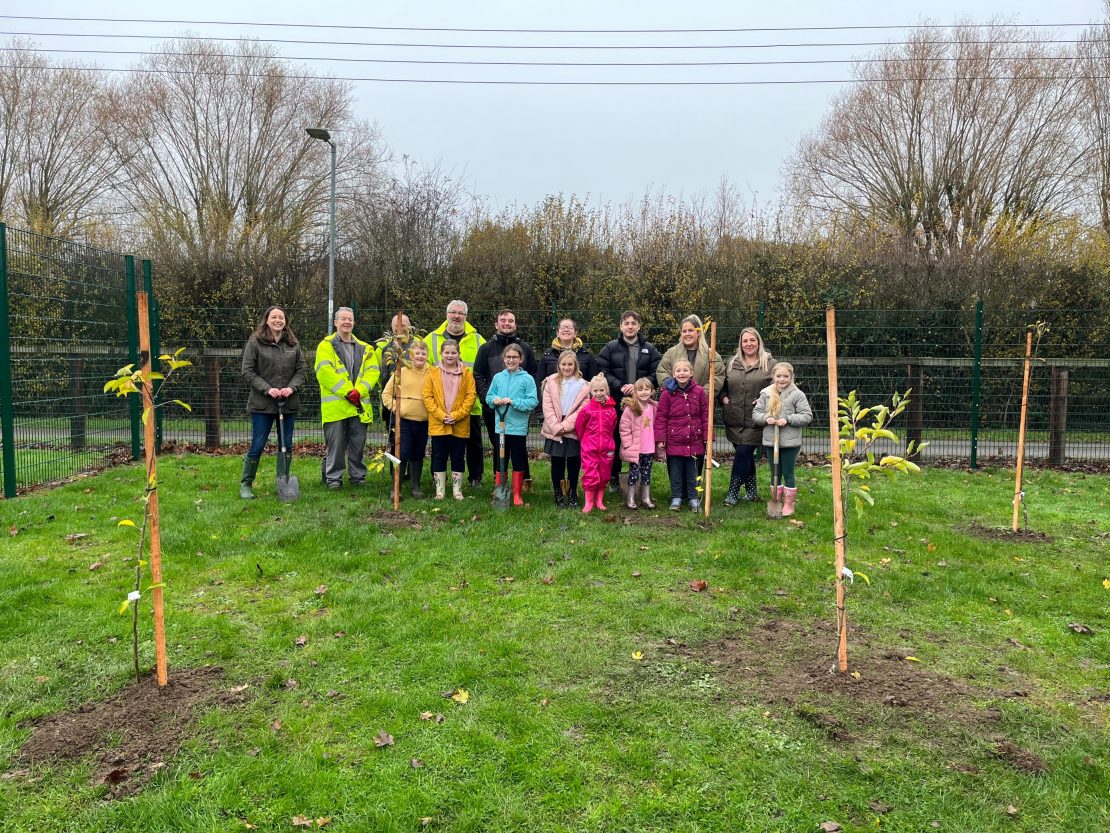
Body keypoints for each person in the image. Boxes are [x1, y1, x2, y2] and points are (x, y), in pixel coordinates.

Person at [238, 306, 306, 499]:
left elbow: (301, 372)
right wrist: (268, 389)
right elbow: (247, 371)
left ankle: (283, 483)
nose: (278, 320)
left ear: (285, 321)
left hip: (288, 403)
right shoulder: (256, 342)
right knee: (258, 444)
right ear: (266, 320)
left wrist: (291, 388)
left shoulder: (293, 344)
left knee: (286, 444)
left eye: (281, 317)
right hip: (262, 404)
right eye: (274, 317)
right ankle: (246, 484)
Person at [597, 310, 661, 493]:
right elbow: (603, 370)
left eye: (634, 323)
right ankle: (614, 477)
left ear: (639, 326)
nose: (630, 326)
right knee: (615, 439)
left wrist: (639, 387)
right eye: (626, 323)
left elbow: (656, 372)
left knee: (641, 440)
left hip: (641, 405)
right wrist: (619, 386)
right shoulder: (610, 347)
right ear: (621, 326)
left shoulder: (650, 348)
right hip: (616, 402)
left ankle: (640, 477)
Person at [474, 309, 538, 489]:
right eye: (503, 320)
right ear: (496, 324)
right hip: (494, 409)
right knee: (499, 447)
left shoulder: (524, 348)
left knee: (518, 446)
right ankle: (500, 484)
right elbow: (478, 375)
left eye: (510, 320)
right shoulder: (486, 348)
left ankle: (523, 481)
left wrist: (523, 404)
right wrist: (488, 399)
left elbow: (533, 374)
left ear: (515, 324)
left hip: (518, 412)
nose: (507, 323)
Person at [314, 306, 377, 489]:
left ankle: (358, 477)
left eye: (350, 319)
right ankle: (334, 478)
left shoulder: (366, 348)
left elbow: (372, 372)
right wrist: (348, 392)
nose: (347, 322)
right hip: (337, 407)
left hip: (358, 406)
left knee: (358, 445)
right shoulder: (325, 346)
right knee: (336, 445)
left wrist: (360, 391)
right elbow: (324, 372)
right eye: (343, 319)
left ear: (354, 323)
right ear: (335, 323)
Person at [426, 301, 486, 488]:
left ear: (466, 316)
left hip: (470, 404)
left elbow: (483, 371)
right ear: (446, 314)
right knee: (439, 446)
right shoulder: (431, 339)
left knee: (474, 445)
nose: (456, 316)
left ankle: (475, 478)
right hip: (440, 407)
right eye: (453, 312)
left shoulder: (478, 340)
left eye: (460, 313)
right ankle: (439, 481)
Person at [656, 314, 725, 477]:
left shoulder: (711, 354)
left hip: (698, 410)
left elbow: (717, 376)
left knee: (697, 448)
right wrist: (672, 388)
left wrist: (699, 394)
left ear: (699, 332)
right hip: (676, 412)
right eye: (684, 331)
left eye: (691, 330)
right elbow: (662, 371)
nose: (687, 334)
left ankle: (694, 489)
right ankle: (678, 491)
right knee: (676, 453)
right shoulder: (672, 353)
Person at [720, 327, 774, 505]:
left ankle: (732, 493)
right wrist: (723, 398)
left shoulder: (769, 363)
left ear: (758, 342)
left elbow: (780, 387)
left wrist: (765, 399)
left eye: (752, 340)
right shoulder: (731, 363)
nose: (749, 344)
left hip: (756, 419)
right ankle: (751, 491)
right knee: (745, 455)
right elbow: (721, 385)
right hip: (734, 417)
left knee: (743, 453)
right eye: (745, 341)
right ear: (740, 343)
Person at [753, 362, 813, 517]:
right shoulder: (766, 393)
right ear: (773, 376)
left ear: (791, 377)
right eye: (778, 376)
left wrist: (788, 418)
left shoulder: (797, 394)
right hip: (771, 440)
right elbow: (756, 414)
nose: (782, 379)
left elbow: (806, 415)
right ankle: (776, 500)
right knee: (775, 472)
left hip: (790, 442)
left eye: (786, 376)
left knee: (788, 472)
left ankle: (788, 503)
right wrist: (767, 418)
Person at [485, 343, 539, 507]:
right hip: (500, 426)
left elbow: (532, 401)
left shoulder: (527, 379)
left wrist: (513, 402)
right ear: (504, 358)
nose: (511, 360)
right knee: (500, 458)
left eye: (515, 357)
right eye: (508, 357)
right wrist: (494, 400)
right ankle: (500, 488)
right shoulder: (498, 377)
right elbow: (489, 397)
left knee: (517, 459)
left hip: (517, 427)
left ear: (521, 359)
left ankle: (517, 494)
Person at [423, 340, 477, 501]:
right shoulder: (432, 373)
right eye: (447, 352)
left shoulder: (467, 373)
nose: (450, 356)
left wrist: (456, 415)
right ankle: (440, 491)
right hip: (438, 422)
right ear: (441, 353)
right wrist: (441, 415)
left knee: (458, 456)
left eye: (453, 353)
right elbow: (427, 397)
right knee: (439, 456)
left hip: (459, 423)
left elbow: (471, 396)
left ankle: (457, 490)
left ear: (458, 354)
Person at [655, 359, 709, 512]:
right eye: (678, 371)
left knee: (694, 472)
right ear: (673, 374)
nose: (682, 373)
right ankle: (676, 497)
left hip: (695, 440)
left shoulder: (699, 392)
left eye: (685, 370)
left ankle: (693, 498)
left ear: (691, 373)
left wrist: (707, 436)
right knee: (676, 472)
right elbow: (661, 416)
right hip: (674, 441)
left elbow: (705, 415)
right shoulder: (667, 394)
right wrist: (661, 438)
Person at [381, 338, 431, 498]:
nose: (420, 356)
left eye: (424, 353)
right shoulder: (401, 371)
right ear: (410, 355)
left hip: (423, 422)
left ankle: (416, 486)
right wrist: (397, 408)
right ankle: (396, 488)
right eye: (417, 353)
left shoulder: (432, 373)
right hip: (403, 421)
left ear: (427, 355)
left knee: (418, 453)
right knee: (401, 453)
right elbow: (386, 394)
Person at [540, 350, 590, 508]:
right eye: (564, 364)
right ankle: (558, 492)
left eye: (570, 364)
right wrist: (556, 426)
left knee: (574, 462)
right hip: (554, 425)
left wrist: (565, 425)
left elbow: (583, 409)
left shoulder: (583, 385)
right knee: (557, 462)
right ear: (558, 365)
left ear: (575, 365)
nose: (567, 367)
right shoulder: (551, 382)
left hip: (573, 427)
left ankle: (573, 491)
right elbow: (547, 406)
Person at [574, 374, 617, 514]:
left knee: (604, 474)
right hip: (589, 448)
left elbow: (613, 426)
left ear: (606, 390)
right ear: (591, 392)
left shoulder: (611, 409)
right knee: (590, 473)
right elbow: (580, 427)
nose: (598, 394)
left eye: (601, 390)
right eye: (595, 391)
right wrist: (586, 442)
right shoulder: (586, 410)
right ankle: (589, 502)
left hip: (607, 448)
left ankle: (599, 500)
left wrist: (608, 442)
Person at [619, 377, 658, 510]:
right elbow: (624, 428)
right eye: (640, 390)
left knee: (647, 473)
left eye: (647, 389)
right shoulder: (631, 408)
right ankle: (630, 499)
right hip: (636, 449)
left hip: (649, 448)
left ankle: (646, 498)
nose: (644, 392)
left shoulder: (653, 407)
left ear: (652, 391)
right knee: (634, 474)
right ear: (635, 392)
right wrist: (628, 444)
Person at [536, 318, 598, 390]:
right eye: (562, 327)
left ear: (575, 333)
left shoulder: (587, 356)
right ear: (557, 333)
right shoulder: (547, 355)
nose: (566, 329)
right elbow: (540, 382)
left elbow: (594, 382)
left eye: (570, 328)